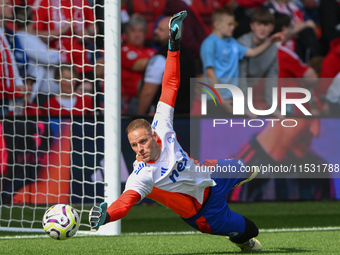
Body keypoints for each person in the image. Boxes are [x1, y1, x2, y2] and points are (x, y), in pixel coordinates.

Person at [89, 11, 263, 252]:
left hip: (210, 173)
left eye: (142, 141)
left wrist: (174, 46)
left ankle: (235, 179)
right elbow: (125, 202)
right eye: (133, 146)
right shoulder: (142, 175)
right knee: (251, 232)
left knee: (249, 167)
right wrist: (106, 216)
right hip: (204, 212)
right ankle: (240, 239)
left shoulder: (161, 124)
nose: (139, 149)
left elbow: (170, 83)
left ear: (152, 135)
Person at [200, 8, 282, 116]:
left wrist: (271, 42)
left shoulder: (232, 42)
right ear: (217, 24)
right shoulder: (209, 43)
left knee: (230, 131)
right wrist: (221, 99)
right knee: (214, 131)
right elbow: (210, 73)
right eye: (229, 24)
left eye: (233, 24)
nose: (233, 27)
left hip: (231, 96)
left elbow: (253, 53)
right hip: (214, 98)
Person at [137, 15, 196, 115]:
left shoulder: (161, 58)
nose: (155, 32)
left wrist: (138, 118)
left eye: (161, 30)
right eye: (157, 28)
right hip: (185, 118)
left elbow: (148, 93)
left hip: (161, 120)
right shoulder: (190, 57)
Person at [13, 5, 60, 107]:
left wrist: (50, 52)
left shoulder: (30, 37)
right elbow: (53, 58)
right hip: (38, 94)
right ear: (32, 18)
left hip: (45, 93)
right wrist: (53, 52)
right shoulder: (22, 37)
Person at [237, 8, 279, 117]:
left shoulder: (273, 47)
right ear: (252, 26)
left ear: (272, 28)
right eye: (259, 24)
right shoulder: (243, 43)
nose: (262, 29)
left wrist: (273, 107)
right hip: (227, 90)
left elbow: (272, 78)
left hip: (247, 90)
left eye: (266, 25)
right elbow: (241, 77)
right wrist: (245, 107)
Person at [121, 14, 156, 114]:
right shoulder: (123, 50)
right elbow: (138, 65)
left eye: (140, 31)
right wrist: (159, 61)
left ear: (145, 34)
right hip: (130, 101)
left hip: (153, 98)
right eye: (133, 31)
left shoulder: (151, 50)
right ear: (126, 33)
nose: (137, 34)